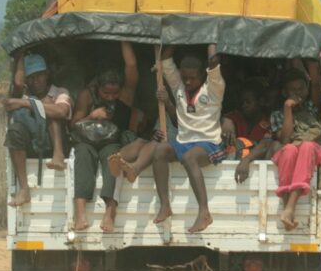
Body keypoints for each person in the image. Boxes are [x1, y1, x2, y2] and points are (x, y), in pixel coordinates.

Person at [151, 44, 226, 233]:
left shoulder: (214, 88)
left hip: (209, 143)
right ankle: (165, 205)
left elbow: (214, 62)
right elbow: (165, 61)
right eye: (185, 77)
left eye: (193, 78)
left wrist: (209, 43)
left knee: (189, 157)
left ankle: (204, 212)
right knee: (159, 150)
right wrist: (172, 35)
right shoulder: (179, 86)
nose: (188, 81)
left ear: (204, 75)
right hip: (184, 141)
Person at [71, 41, 138, 233]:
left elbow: (131, 67)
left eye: (114, 93)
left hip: (111, 142)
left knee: (114, 159)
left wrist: (124, 38)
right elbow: (73, 124)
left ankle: (110, 211)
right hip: (87, 142)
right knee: (82, 154)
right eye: (105, 93)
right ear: (96, 87)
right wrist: (91, 116)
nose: (110, 97)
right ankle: (81, 213)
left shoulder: (125, 95)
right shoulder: (86, 95)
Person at [4, 53, 72, 207]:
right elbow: (17, 83)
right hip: (33, 145)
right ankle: (24, 188)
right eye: (31, 77)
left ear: (47, 74)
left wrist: (26, 104)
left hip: (54, 144)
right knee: (15, 130)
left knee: (50, 110)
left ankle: (58, 155)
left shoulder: (59, 92)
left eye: (39, 75)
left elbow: (62, 111)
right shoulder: (23, 94)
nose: (36, 81)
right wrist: (20, 52)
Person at [269, 62, 321, 231]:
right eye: (293, 90)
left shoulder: (311, 106)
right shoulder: (278, 114)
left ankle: (289, 208)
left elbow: (316, 83)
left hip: (311, 150)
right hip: (292, 150)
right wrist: (287, 109)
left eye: (301, 89)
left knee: (307, 146)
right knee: (289, 149)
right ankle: (288, 210)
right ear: (285, 93)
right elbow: (285, 139)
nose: (298, 93)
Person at [108, 85, 178, 183]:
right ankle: (118, 160)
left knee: (154, 144)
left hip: (174, 148)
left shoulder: (182, 112)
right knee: (141, 141)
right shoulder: (163, 115)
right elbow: (156, 134)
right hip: (159, 145)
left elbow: (178, 123)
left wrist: (168, 103)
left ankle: (135, 169)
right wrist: (154, 134)